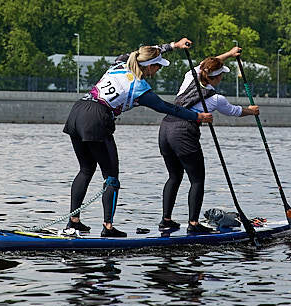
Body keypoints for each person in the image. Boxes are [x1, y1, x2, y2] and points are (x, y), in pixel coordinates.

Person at [63, 39, 212, 237]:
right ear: (150, 67)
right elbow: (168, 108)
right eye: (158, 67)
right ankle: (108, 228)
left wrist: (173, 46)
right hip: (96, 119)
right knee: (111, 177)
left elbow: (141, 51)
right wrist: (197, 116)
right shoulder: (140, 88)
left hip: (77, 111)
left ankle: (73, 222)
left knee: (86, 169)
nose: (158, 70)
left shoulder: (120, 63)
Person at [159, 46, 259, 234]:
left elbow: (205, 64)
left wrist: (228, 54)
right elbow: (235, 112)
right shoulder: (216, 98)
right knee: (197, 180)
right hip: (183, 133)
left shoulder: (190, 76)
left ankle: (166, 220)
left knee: (174, 176)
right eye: (221, 75)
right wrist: (251, 111)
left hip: (165, 129)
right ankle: (194, 224)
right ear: (217, 77)